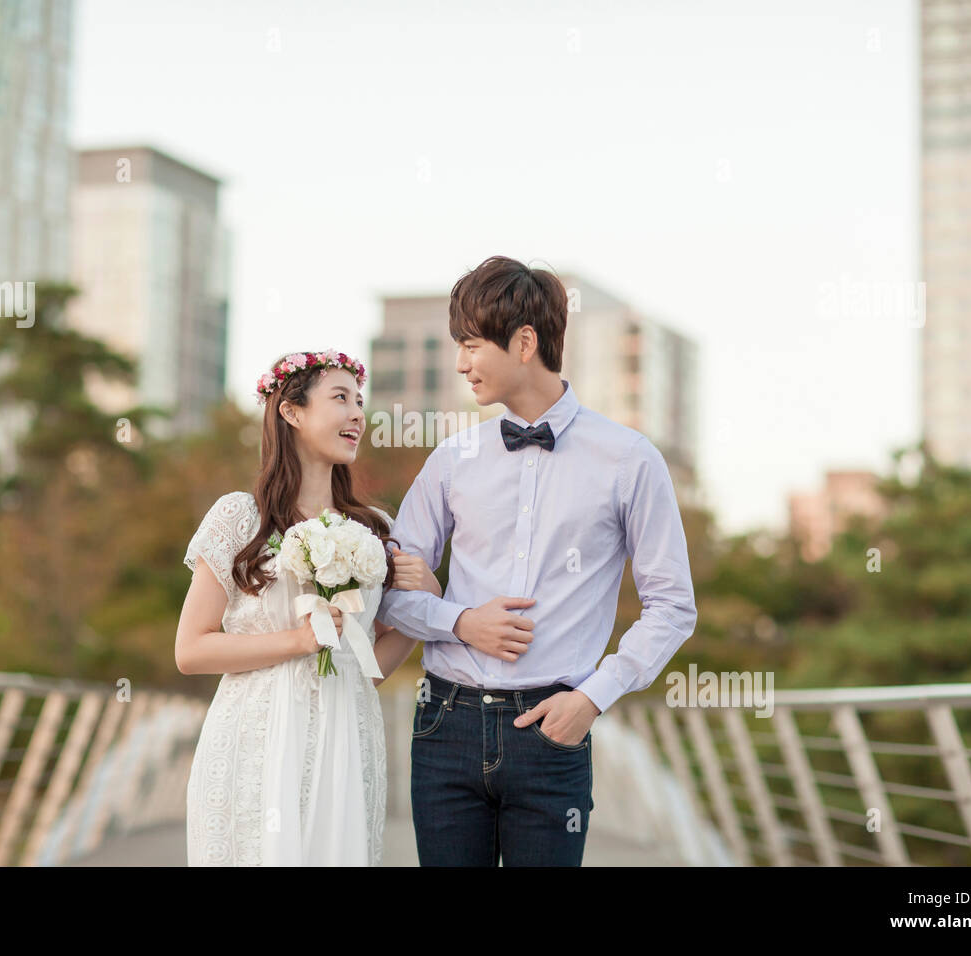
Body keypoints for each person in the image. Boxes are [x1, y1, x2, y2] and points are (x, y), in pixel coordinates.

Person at [375, 255, 699, 866]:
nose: (460, 363)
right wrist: (461, 621)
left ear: (524, 342)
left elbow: (672, 606)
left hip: (552, 728)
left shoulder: (629, 459)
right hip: (444, 725)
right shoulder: (451, 458)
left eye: (471, 346)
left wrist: (593, 698)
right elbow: (388, 587)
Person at [175, 349, 437, 866]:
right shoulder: (238, 517)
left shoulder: (374, 530)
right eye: (340, 398)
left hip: (346, 737)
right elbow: (191, 650)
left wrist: (425, 605)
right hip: (255, 737)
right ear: (291, 412)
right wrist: (298, 642)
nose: (358, 414)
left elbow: (368, 670)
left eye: (360, 402)